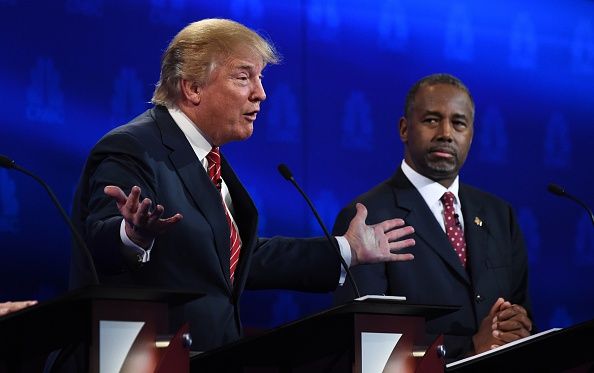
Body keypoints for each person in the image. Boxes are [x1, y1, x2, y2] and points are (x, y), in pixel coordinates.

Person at [69, 18, 416, 353]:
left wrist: (346, 250)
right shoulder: (134, 147)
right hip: (143, 358)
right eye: (243, 77)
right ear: (193, 87)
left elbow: (239, 259)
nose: (261, 94)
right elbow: (99, 238)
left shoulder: (205, 156)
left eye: (260, 78)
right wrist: (133, 236)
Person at [332, 73, 533, 362]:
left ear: (471, 135)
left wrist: (517, 327)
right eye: (431, 120)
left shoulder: (500, 215)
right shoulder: (366, 217)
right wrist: (470, 349)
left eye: (459, 123)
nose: (446, 133)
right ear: (404, 129)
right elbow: (364, 345)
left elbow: (522, 312)